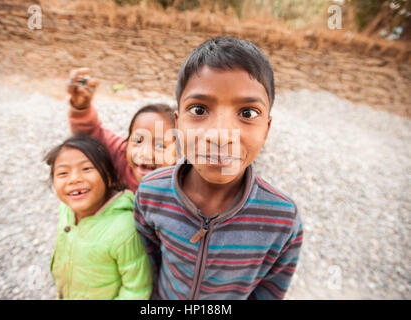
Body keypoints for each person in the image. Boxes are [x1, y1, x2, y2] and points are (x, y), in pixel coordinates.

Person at [133, 36, 303, 300]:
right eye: (199, 109)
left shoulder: (282, 219)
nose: (221, 135)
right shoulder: (150, 191)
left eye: (247, 113)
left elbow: (270, 290)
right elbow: (148, 260)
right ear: (178, 123)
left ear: (267, 129)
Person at [44, 134, 152, 300]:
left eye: (87, 169)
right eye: (63, 173)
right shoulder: (66, 209)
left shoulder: (124, 229)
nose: (74, 179)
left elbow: (137, 289)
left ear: (109, 177)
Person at [67, 68, 177, 192]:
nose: (144, 153)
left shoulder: (183, 186)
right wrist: (82, 107)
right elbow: (90, 135)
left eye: (160, 145)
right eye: (138, 141)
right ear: (127, 142)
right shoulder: (122, 157)